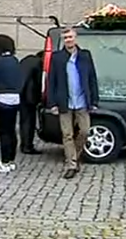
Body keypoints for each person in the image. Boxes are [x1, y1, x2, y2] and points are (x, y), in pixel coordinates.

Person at [47, 27, 99, 179]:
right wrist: (52, 103)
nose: (68, 40)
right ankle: (72, 164)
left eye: (70, 37)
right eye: (66, 38)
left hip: (82, 101)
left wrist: (94, 100)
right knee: (67, 134)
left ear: (75, 38)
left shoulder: (85, 56)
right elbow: (52, 81)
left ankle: (75, 155)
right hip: (65, 101)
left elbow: (92, 78)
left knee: (85, 131)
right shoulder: (57, 58)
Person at [0, 34, 22, 173]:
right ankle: (11, 160)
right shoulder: (14, 60)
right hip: (14, 99)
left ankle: (4, 162)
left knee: (3, 133)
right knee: (12, 131)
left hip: (0, 99)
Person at [18, 51, 44, 155]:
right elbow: (39, 81)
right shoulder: (38, 63)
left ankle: (24, 144)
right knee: (29, 121)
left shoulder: (26, 60)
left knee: (24, 120)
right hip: (30, 95)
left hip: (21, 94)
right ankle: (28, 146)